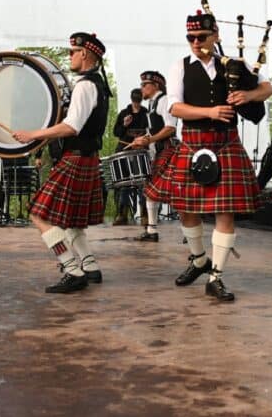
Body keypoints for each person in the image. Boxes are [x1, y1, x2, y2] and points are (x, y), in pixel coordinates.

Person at [164, 11, 272, 302]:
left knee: (225, 211)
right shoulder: (180, 67)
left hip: (226, 144)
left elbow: (268, 87)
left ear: (215, 37)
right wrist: (209, 112)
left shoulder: (234, 65)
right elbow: (174, 108)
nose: (195, 42)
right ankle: (199, 259)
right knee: (187, 209)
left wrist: (248, 97)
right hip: (193, 144)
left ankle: (216, 277)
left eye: (202, 36)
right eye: (191, 37)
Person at [13, 32, 111, 294]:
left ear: (85, 54)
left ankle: (71, 268)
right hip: (85, 158)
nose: (70, 56)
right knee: (73, 222)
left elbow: (71, 127)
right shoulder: (97, 84)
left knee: (38, 214)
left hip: (76, 158)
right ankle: (89, 267)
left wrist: (32, 134)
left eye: (72, 52)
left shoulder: (85, 85)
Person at [132, 70, 177, 242]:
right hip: (159, 149)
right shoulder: (151, 103)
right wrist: (144, 139)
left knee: (174, 191)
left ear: (156, 85)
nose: (141, 88)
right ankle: (151, 230)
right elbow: (155, 130)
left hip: (168, 149)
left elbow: (171, 127)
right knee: (150, 189)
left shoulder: (164, 100)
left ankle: (191, 228)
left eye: (145, 85)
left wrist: (149, 139)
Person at [112, 88, 150, 224]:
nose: (136, 103)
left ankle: (145, 214)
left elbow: (151, 131)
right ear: (132, 99)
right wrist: (124, 124)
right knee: (124, 183)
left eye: (138, 100)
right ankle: (122, 214)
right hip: (124, 150)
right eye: (135, 100)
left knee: (142, 183)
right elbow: (116, 132)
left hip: (140, 151)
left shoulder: (146, 113)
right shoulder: (124, 113)